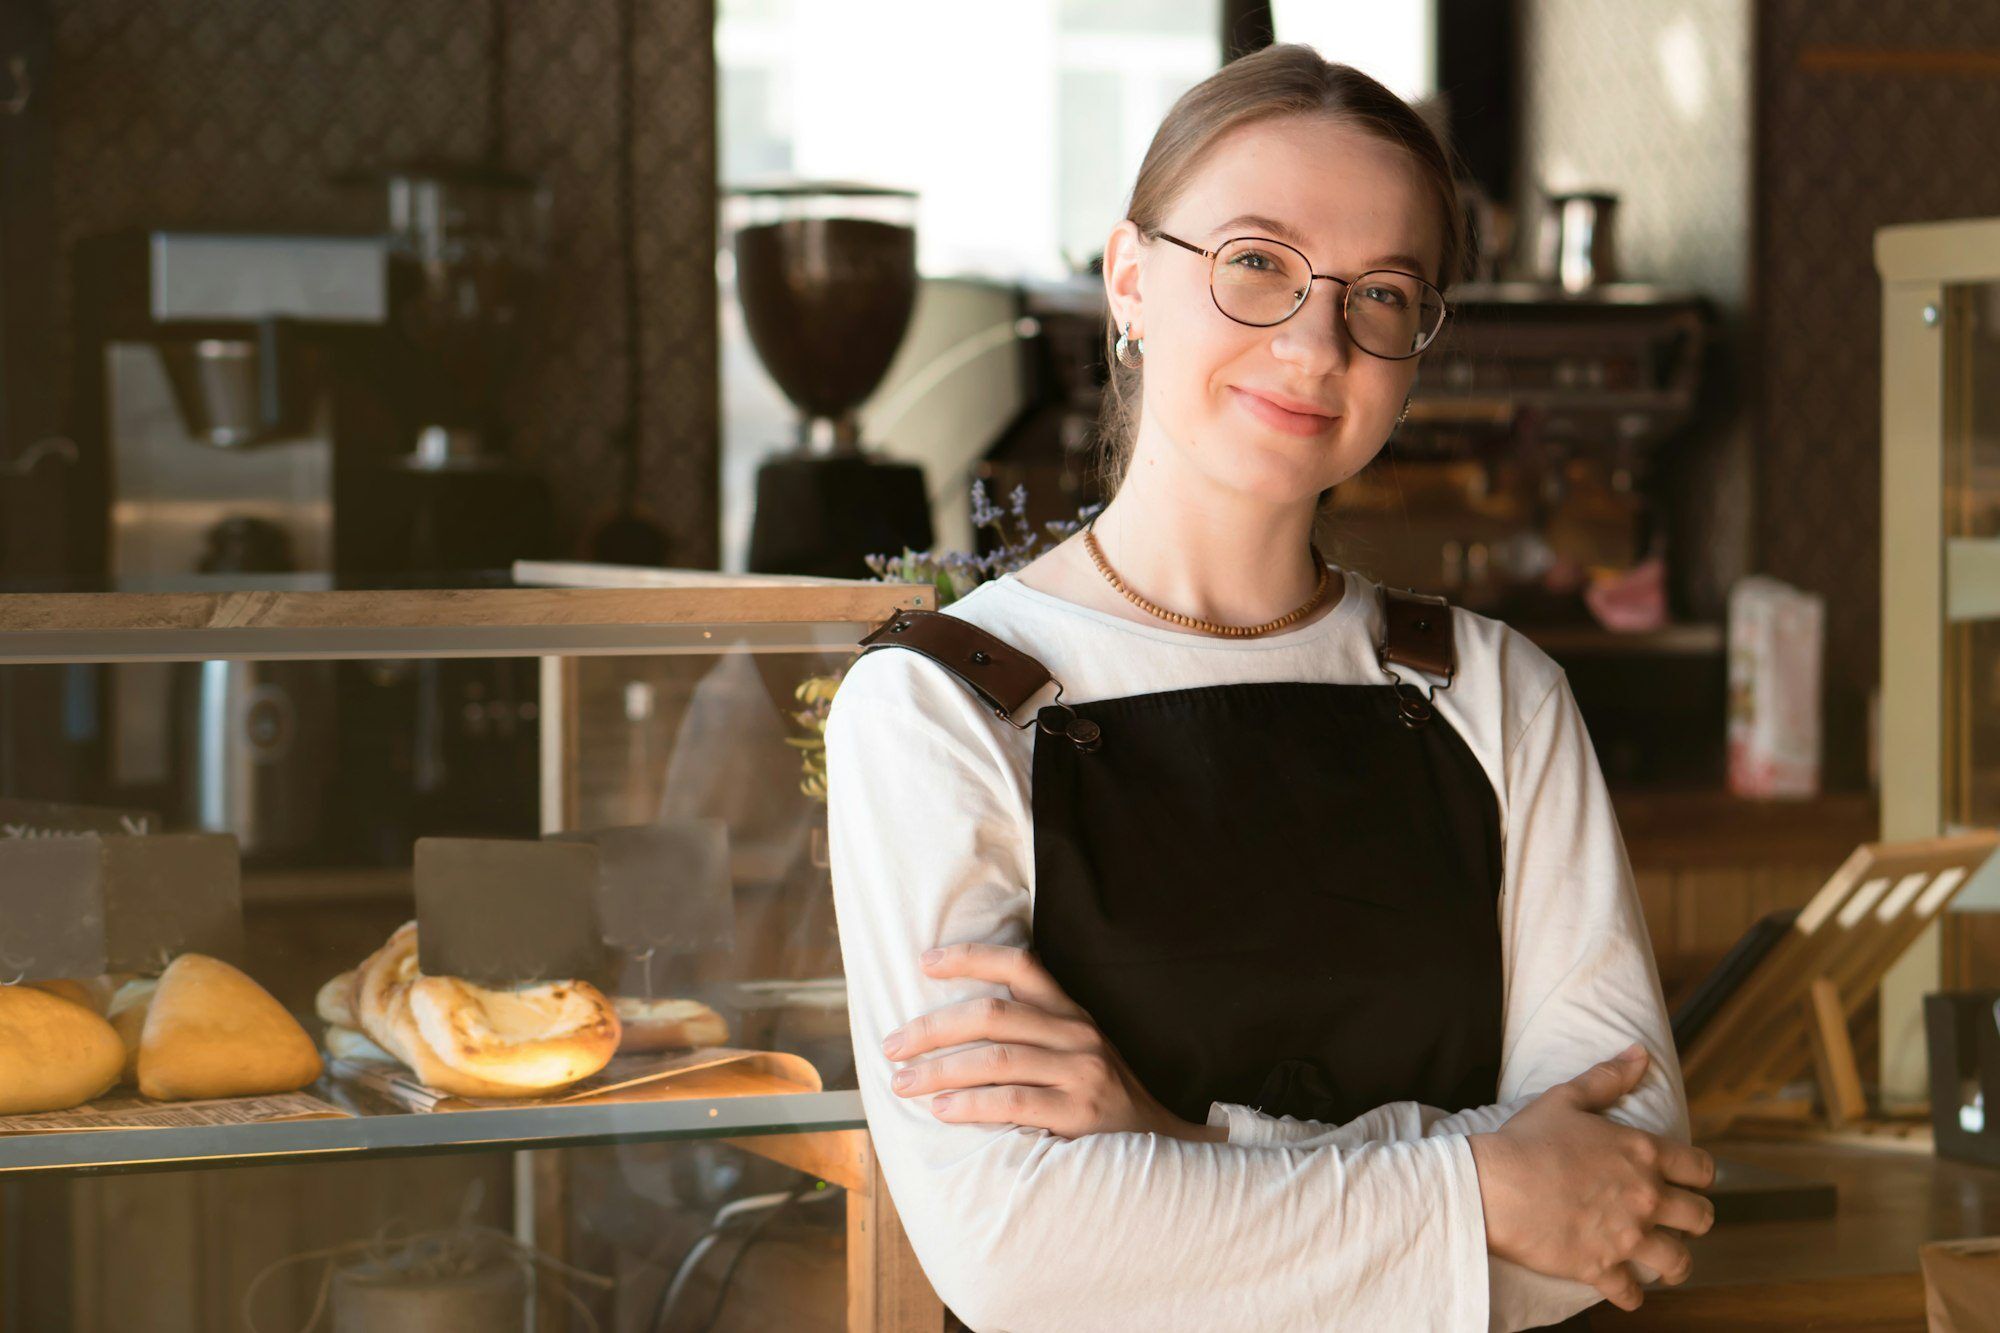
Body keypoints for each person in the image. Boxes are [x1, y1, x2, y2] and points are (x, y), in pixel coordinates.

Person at [824, 43, 1713, 1333]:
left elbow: (1615, 1215)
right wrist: (1484, 1181)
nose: (1314, 342)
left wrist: (1181, 1142)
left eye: (1384, 293)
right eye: (1256, 264)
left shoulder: (1499, 690)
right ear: (1131, 280)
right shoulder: (940, 708)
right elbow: (1020, 1253)